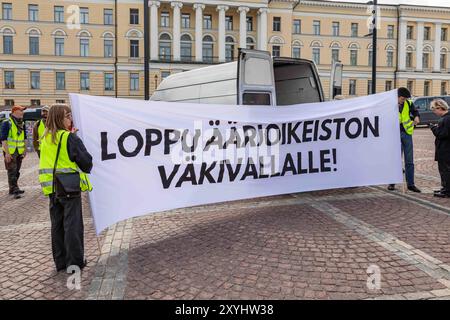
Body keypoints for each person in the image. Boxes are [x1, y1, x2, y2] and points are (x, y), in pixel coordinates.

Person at [39, 104, 93, 272]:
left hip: (52, 188)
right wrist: (76, 139)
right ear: (59, 119)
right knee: (72, 225)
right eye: (68, 116)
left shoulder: (45, 138)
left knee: (57, 225)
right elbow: (86, 164)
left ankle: (60, 262)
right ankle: (75, 262)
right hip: (69, 188)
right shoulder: (69, 138)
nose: (71, 119)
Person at [388, 87, 421, 193]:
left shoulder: (409, 103)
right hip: (394, 134)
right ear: (397, 97)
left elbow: (415, 112)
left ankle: (411, 184)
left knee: (409, 161)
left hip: (407, 133)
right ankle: (392, 183)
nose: (404, 100)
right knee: (395, 160)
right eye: (402, 99)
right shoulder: (389, 104)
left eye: (405, 99)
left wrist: (416, 117)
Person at [1, 105, 27, 199]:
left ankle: (13, 188)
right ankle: (15, 190)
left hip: (19, 150)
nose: (22, 113)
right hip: (10, 151)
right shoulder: (7, 123)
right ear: (15, 111)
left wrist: (25, 149)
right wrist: (7, 153)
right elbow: (3, 139)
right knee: (12, 170)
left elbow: (24, 137)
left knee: (16, 171)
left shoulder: (21, 123)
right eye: (21, 110)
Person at [429, 99, 450, 198]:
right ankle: (445, 188)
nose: (434, 112)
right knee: (446, 170)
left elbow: (441, 134)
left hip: (444, 149)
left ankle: (446, 191)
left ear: (439, 107)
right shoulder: (447, 118)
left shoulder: (445, 119)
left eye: (434, 110)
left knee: (445, 170)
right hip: (446, 149)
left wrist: (433, 128)